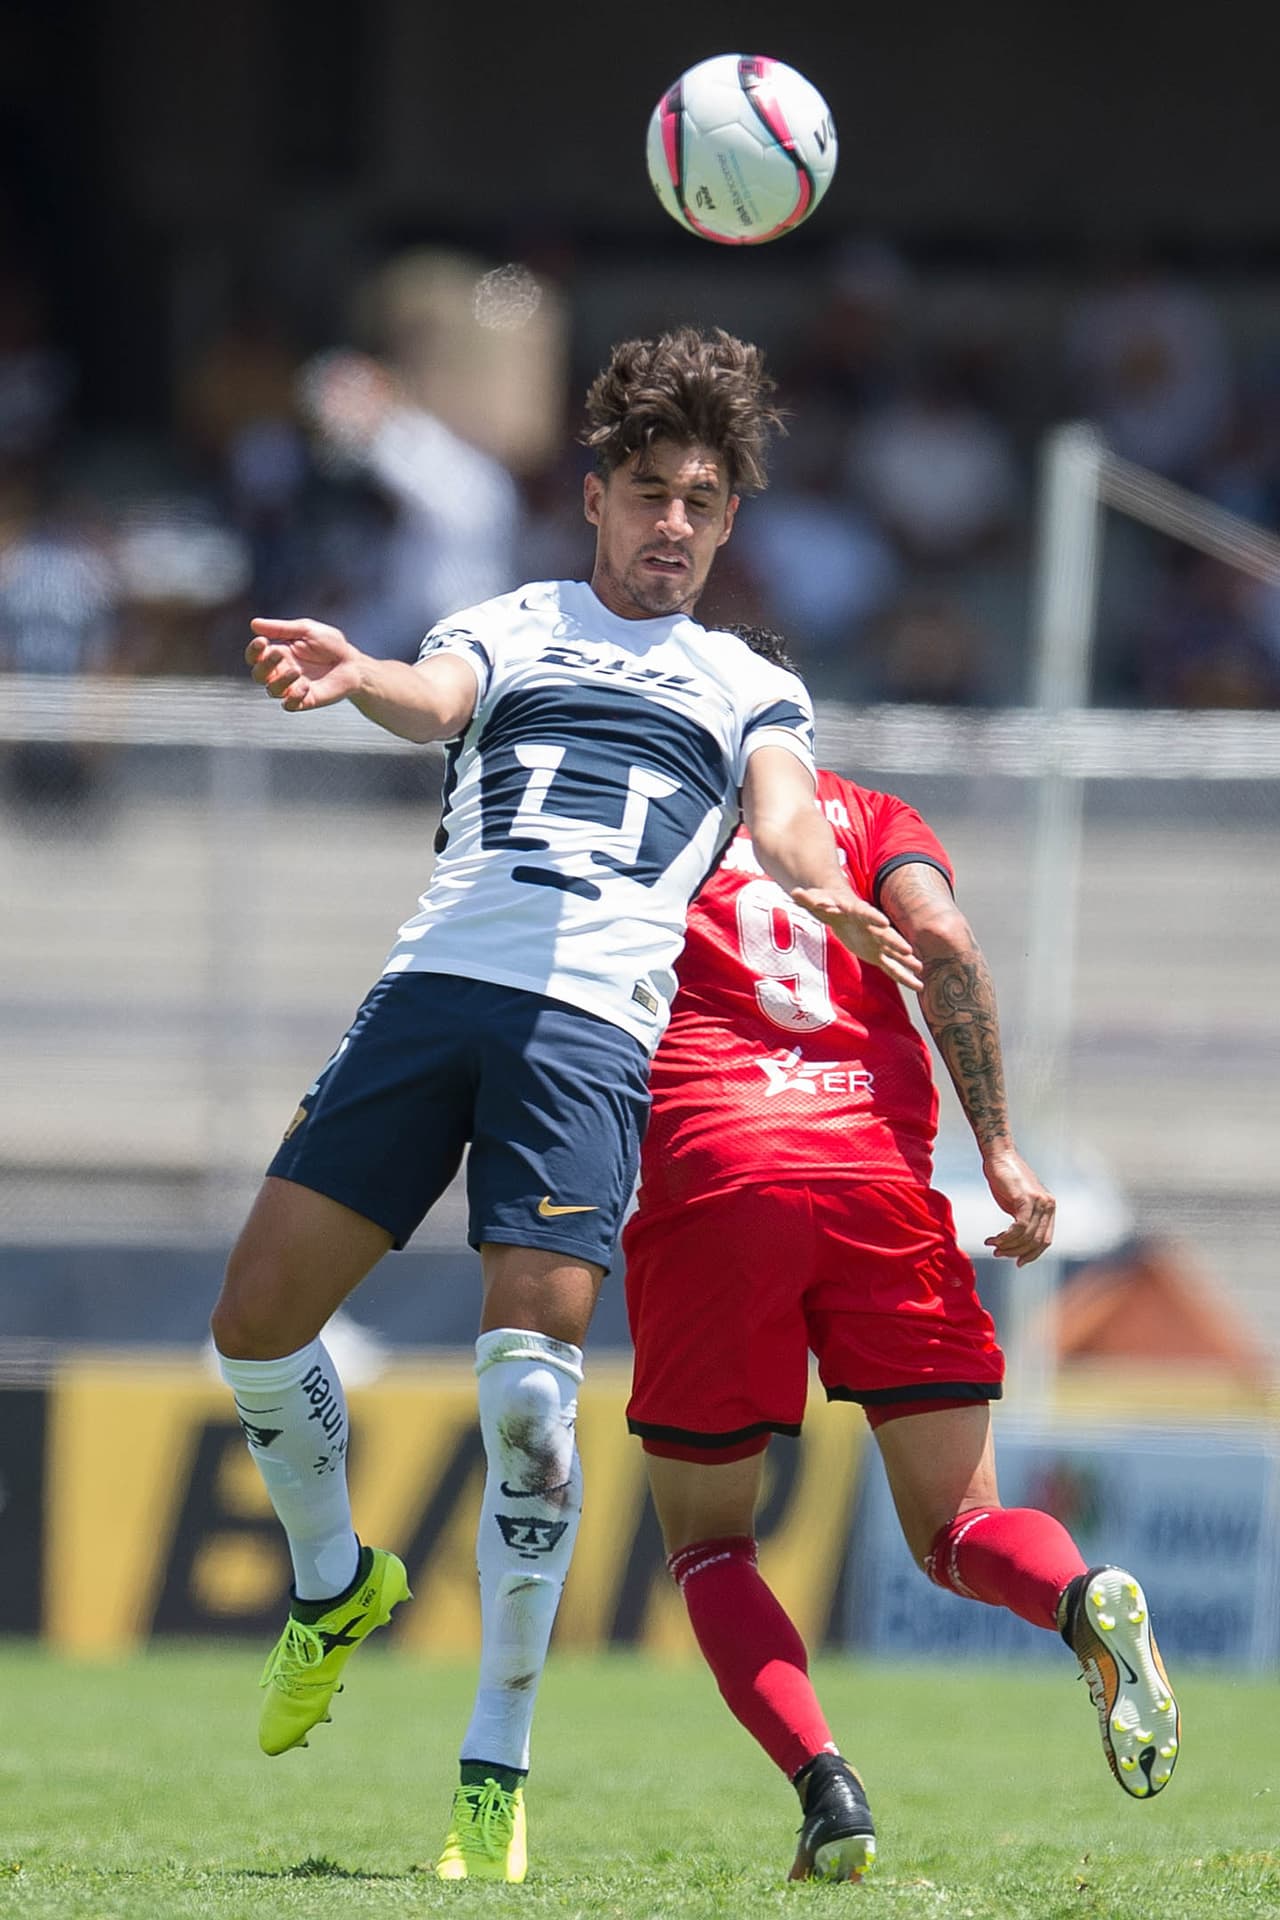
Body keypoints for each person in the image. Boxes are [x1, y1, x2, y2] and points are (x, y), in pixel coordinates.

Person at [209, 330, 924, 1884]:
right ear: (594, 498)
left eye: (703, 500)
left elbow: (791, 824)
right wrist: (355, 676)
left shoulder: (749, 684)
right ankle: (335, 1585)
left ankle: (492, 1768)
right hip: (431, 1000)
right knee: (254, 1325)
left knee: (528, 1408)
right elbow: (432, 689)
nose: (674, 522)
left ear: (731, 521)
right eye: (649, 492)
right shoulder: (517, 619)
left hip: (589, 1040)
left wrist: (830, 892)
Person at [623, 626, 1179, 1884]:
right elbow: (951, 952)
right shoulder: (871, 818)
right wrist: (998, 1150)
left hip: (718, 1177)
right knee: (959, 1525)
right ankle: (1078, 1597)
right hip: (877, 1182)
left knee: (712, 1542)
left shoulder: (643, 819)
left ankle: (828, 1790)